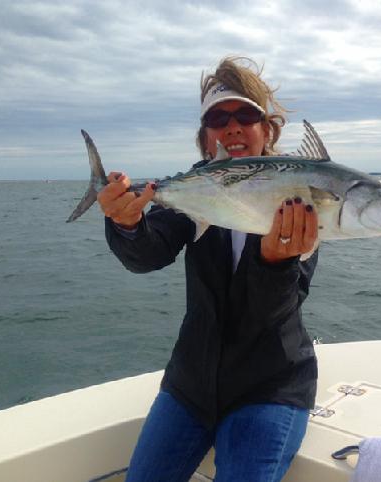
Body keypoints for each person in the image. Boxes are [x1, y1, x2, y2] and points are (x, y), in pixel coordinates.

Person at [98, 56, 319, 482]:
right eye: (218, 118)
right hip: (191, 383)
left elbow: (275, 310)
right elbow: (149, 253)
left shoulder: (296, 191)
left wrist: (275, 262)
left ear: (266, 129)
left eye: (245, 115)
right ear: (206, 137)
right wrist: (127, 224)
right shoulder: (197, 187)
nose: (232, 127)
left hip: (270, 386)